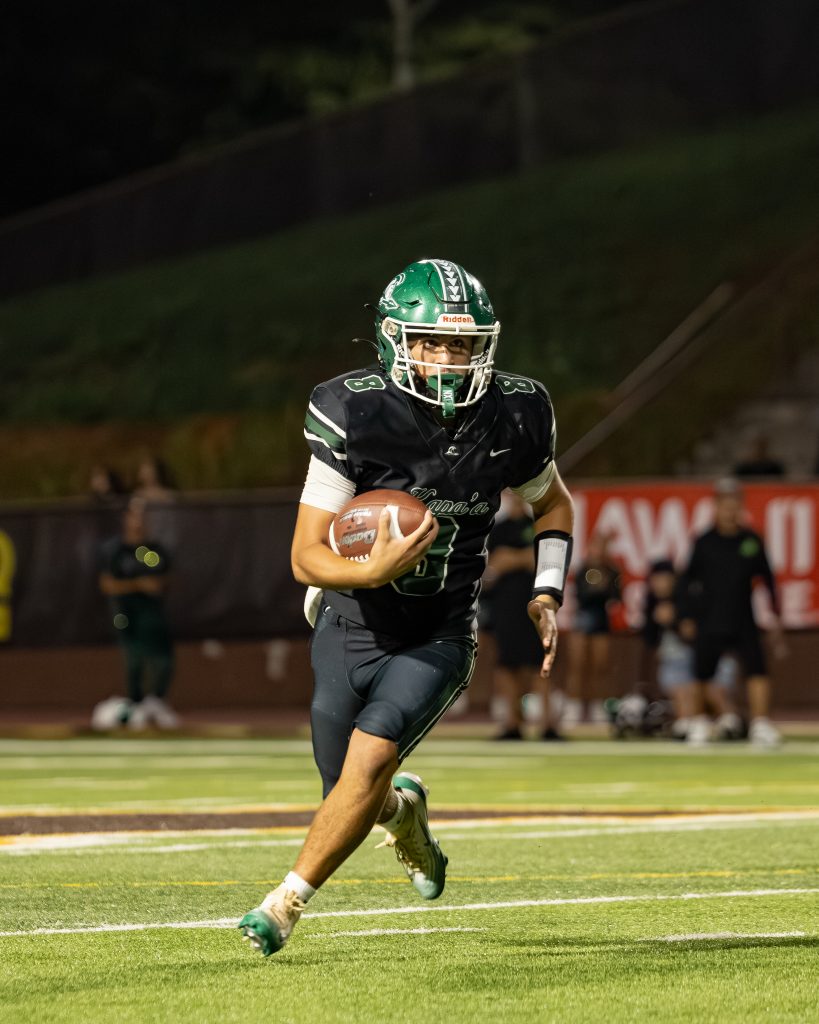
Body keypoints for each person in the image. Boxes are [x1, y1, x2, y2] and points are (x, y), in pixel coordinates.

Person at [238, 258, 574, 956]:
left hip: (439, 632)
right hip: (347, 624)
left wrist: (547, 587)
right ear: (396, 341)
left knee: (365, 767)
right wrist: (373, 568)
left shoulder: (513, 410)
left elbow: (552, 504)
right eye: (431, 342)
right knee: (349, 792)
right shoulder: (354, 410)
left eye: (462, 344)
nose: (448, 358)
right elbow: (305, 556)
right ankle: (406, 815)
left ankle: (283, 903)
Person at [679, 478, 786, 747]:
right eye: (725, 506)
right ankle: (700, 722)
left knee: (757, 669)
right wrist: (687, 616)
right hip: (709, 618)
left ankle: (760, 724)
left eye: (734, 505)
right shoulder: (704, 542)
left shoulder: (751, 541)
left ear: (741, 507)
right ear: (715, 507)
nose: (730, 511)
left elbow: (768, 579)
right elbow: (686, 582)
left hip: (743, 618)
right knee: (703, 672)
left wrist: (775, 615)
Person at [483, 490, 565, 740]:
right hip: (505, 606)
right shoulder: (497, 528)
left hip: (537, 604)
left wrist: (512, 558)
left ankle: (547, 724)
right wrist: (522, 558)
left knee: (541, 662)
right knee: (507, 664)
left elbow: (544, 561)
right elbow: (492, 566)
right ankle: (512, 723)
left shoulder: (539, 525)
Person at [98, 498, 178, 729]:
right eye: (134, 515)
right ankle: (134, 703)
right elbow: (107, 583)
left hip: (153, 615)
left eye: (142, 516)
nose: (138, 521)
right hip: (126, 614)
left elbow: (166, 576)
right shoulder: (117, 552)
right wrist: (137, 585)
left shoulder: (152, 551)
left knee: (163, 659)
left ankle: (156, 701)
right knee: (134, 660)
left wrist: (155, 584)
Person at [642, 558, 741, 742]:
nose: (659, 584)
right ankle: (692, 724)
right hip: (675, 664)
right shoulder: (652, 602)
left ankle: (730, 725)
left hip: (708, 660)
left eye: (664, 579)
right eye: (655, 579)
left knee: (713, 692)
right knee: (683, 694)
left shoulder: (690, 597)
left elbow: (696, 636)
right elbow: (650, 642)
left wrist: (674, 620)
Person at [563, 531, 621, 725]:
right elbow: (581, 595)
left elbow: (616, 598)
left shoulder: (612, 571)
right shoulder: (582, 570)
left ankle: (598, 705)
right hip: (582, 620)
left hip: (601, 622)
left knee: (600, 666)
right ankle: (574, 704)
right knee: (577, 666)